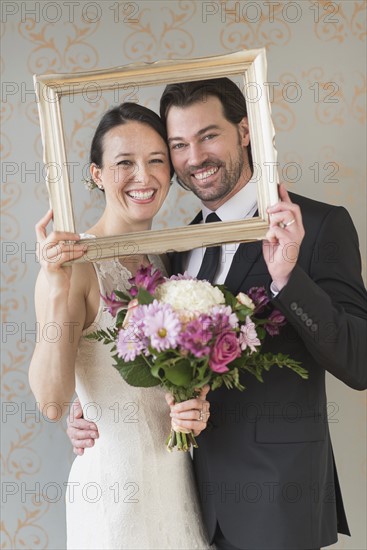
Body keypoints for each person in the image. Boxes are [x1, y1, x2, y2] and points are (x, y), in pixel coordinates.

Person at [66, 79, 367, 550]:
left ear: (244, 131)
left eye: (209, 136)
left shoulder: (320, 225)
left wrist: (288, 279)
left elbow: (359, 361)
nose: (195, 158)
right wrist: (88, 405)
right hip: (186, 500)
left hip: (277, 501)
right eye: (179, 145)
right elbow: (154, 353)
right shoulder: (177, 247)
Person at [29, 103, 212, 550]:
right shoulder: (72, 265)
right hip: (113, 488)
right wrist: (57, 285)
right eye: (124, 163)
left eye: (156, 161)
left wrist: (196, 405)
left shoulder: (167, 260)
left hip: (175, 480)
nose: (143, 177)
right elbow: (52, 402)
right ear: (96, 174)